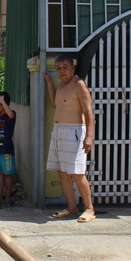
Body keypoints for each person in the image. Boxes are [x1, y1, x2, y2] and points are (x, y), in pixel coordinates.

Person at [43, 54, 96, 222]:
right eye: (58, 68)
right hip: (58, 131)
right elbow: (54, 104)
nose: (61, 71)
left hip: (74, 132)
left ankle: (89, 209)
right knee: (63, 172)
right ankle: (72, 207)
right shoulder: (61, 86)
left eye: (65, 67)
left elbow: (88, 112)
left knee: (77, 172)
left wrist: (89, 136)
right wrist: (49, 83)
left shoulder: (79, 84)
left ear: (72, 68)